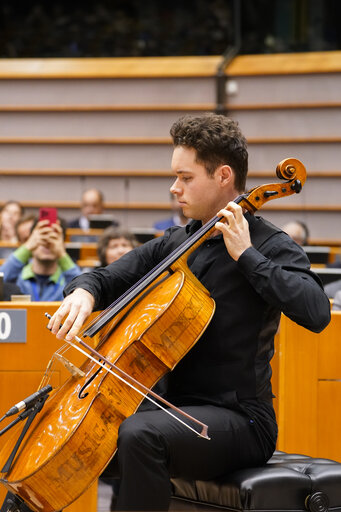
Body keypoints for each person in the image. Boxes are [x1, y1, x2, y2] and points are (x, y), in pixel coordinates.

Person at [48, 113, 330, 511]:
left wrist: (246, 256)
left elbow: (316, 312)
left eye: (185, 177)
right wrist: (82, 293)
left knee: (140, 434)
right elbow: (108, 276)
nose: (174, 187)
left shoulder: (267, 244)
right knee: (94, 429)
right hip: (175, 410)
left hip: (240, 420)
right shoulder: (179, 241)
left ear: (223, 177)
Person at [0, 217, 81, 301]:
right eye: (42, 237)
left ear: (62, 244)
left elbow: (84, 288)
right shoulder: (17, 275)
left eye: (53, 238)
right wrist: (27, 247)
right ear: (32, 241)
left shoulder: (68, 278)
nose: (47, 243)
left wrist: (62, 254)